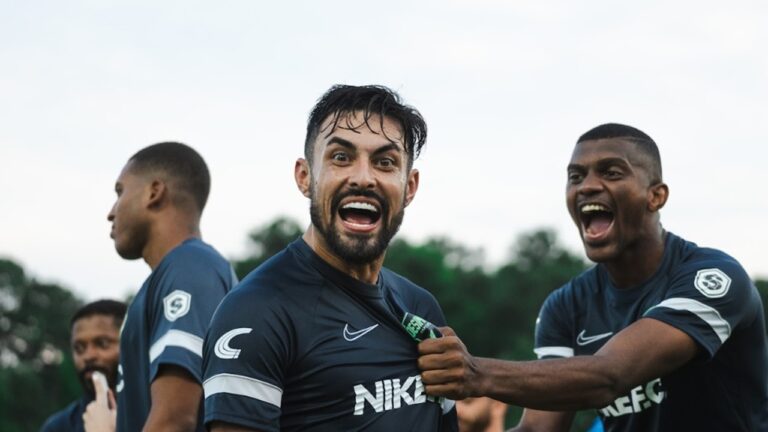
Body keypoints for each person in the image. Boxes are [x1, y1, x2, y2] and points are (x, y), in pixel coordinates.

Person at [417, 123, 768, 431]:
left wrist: (476, 374)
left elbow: (609, 376)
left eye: (611, 172)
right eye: (575, 176)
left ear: (656, 196)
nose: (587, 186)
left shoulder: (714, 278)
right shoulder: (565, 305)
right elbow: (540, 430)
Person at [201, 84, 458, 431]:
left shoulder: (422, 309)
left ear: (409, 187)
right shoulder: (256, 312)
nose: (364, 178)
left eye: (385, 162)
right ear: (305, 177)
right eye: (341, 157)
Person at [84, 142, 237, 432]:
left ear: (154, 192)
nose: (111, 212)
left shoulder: (189, 266)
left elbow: (174, 421)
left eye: (119, 192)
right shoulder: (177, 272)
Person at [39, 300, 127, 432]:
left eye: (102, 343)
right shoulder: (59, 427)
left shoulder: (158, 414)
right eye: (79, 348)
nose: (88, 356)